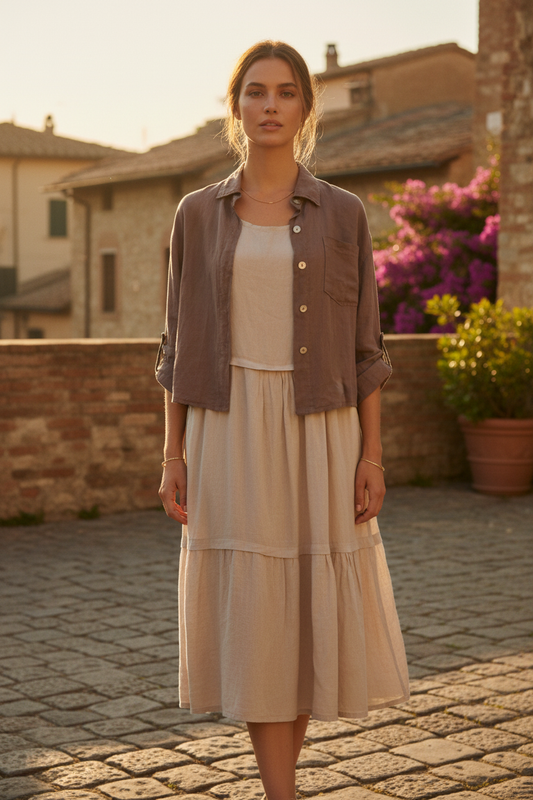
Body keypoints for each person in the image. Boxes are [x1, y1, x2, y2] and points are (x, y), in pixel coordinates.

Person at [157, 40, 409, 800]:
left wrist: (371, 456)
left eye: (285, 93)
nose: (269, 106)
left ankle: (280, 787)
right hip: (227, 427)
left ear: (304, 109)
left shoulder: (343, 214)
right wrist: (173, 454)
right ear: (234, 107)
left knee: (299, 612)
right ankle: (282, 792)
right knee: (258, 612)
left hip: (319, 427)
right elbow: (177, 343)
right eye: (255, 92)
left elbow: (367, 346)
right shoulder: (196, 215)